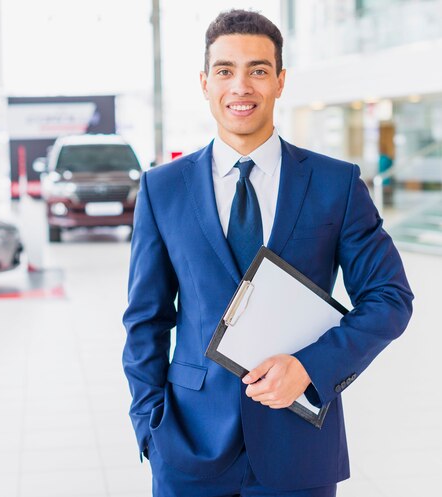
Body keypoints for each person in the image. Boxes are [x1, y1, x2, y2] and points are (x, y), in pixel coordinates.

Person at [122, 9, 413, 497]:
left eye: (258, 70)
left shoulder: (334, 184)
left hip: (299, 446)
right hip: (188, 446)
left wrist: (310, 367)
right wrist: (150, 429)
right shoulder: (162, 190)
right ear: (204, 82)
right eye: (225, 71)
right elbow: (146, 319)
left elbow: (390, 298)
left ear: (279, 82)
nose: (241, 86)